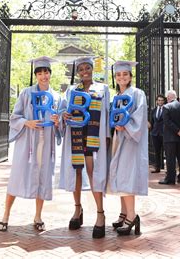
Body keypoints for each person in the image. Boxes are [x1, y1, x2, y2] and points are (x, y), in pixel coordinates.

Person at [0, 56, 61, 232]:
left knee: (42, 178)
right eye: (39, 73)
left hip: (45, 144)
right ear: (36, 75)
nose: (43, 76)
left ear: (50, 74)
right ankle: (5, 216)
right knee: (17, 178)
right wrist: (28, 122)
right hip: (27, 144)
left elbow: (61, 123)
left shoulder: (56, 96)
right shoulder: (26, 93)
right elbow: (14, 117)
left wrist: (57, 121)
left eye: (46, 72)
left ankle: (38, 216)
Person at [59, 56, 110, 239]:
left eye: (87, 68)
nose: (84, 71)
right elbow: (63, 110)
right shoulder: (72, 89)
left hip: (94, 136)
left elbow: (107, 113)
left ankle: (100, 213)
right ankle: (77, 210)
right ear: (78, 72)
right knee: (76, 171)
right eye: (80, 69)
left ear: (92, 69)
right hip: (76, 134)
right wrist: (63, 115)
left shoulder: (102, 88)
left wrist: (107, 138)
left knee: (92, 171)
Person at [108, 61, 148, 236]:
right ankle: (124, 213)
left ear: (131, 76)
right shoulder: (117, 95)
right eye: (118, 75)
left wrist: (126, 126)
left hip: (131, 140)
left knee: (126, 175)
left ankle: (132, 216)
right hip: (118, 138)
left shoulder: (138, 94)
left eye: (125, 74)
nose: (121, 77)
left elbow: (139, 117)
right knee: (119, 175)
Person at [159, 90, 180, 185]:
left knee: (170, 159)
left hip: (170, 138)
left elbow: (167, 122)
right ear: (176, 97)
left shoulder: (166, 107)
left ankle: (170, 179)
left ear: (168, 98)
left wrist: (177, 130)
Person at [149, 94, 166, 173]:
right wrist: (151, 131)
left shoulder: (166, 109)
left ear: (164, 101)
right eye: (159, 100)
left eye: (162, 100)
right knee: (157, 151)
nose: (160, 102)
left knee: (167, 151)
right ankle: (157, 168)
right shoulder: (154, 110)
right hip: (155, 134)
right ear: (157, 101)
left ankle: (169, 169)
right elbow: (151, 122)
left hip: (164, 133)